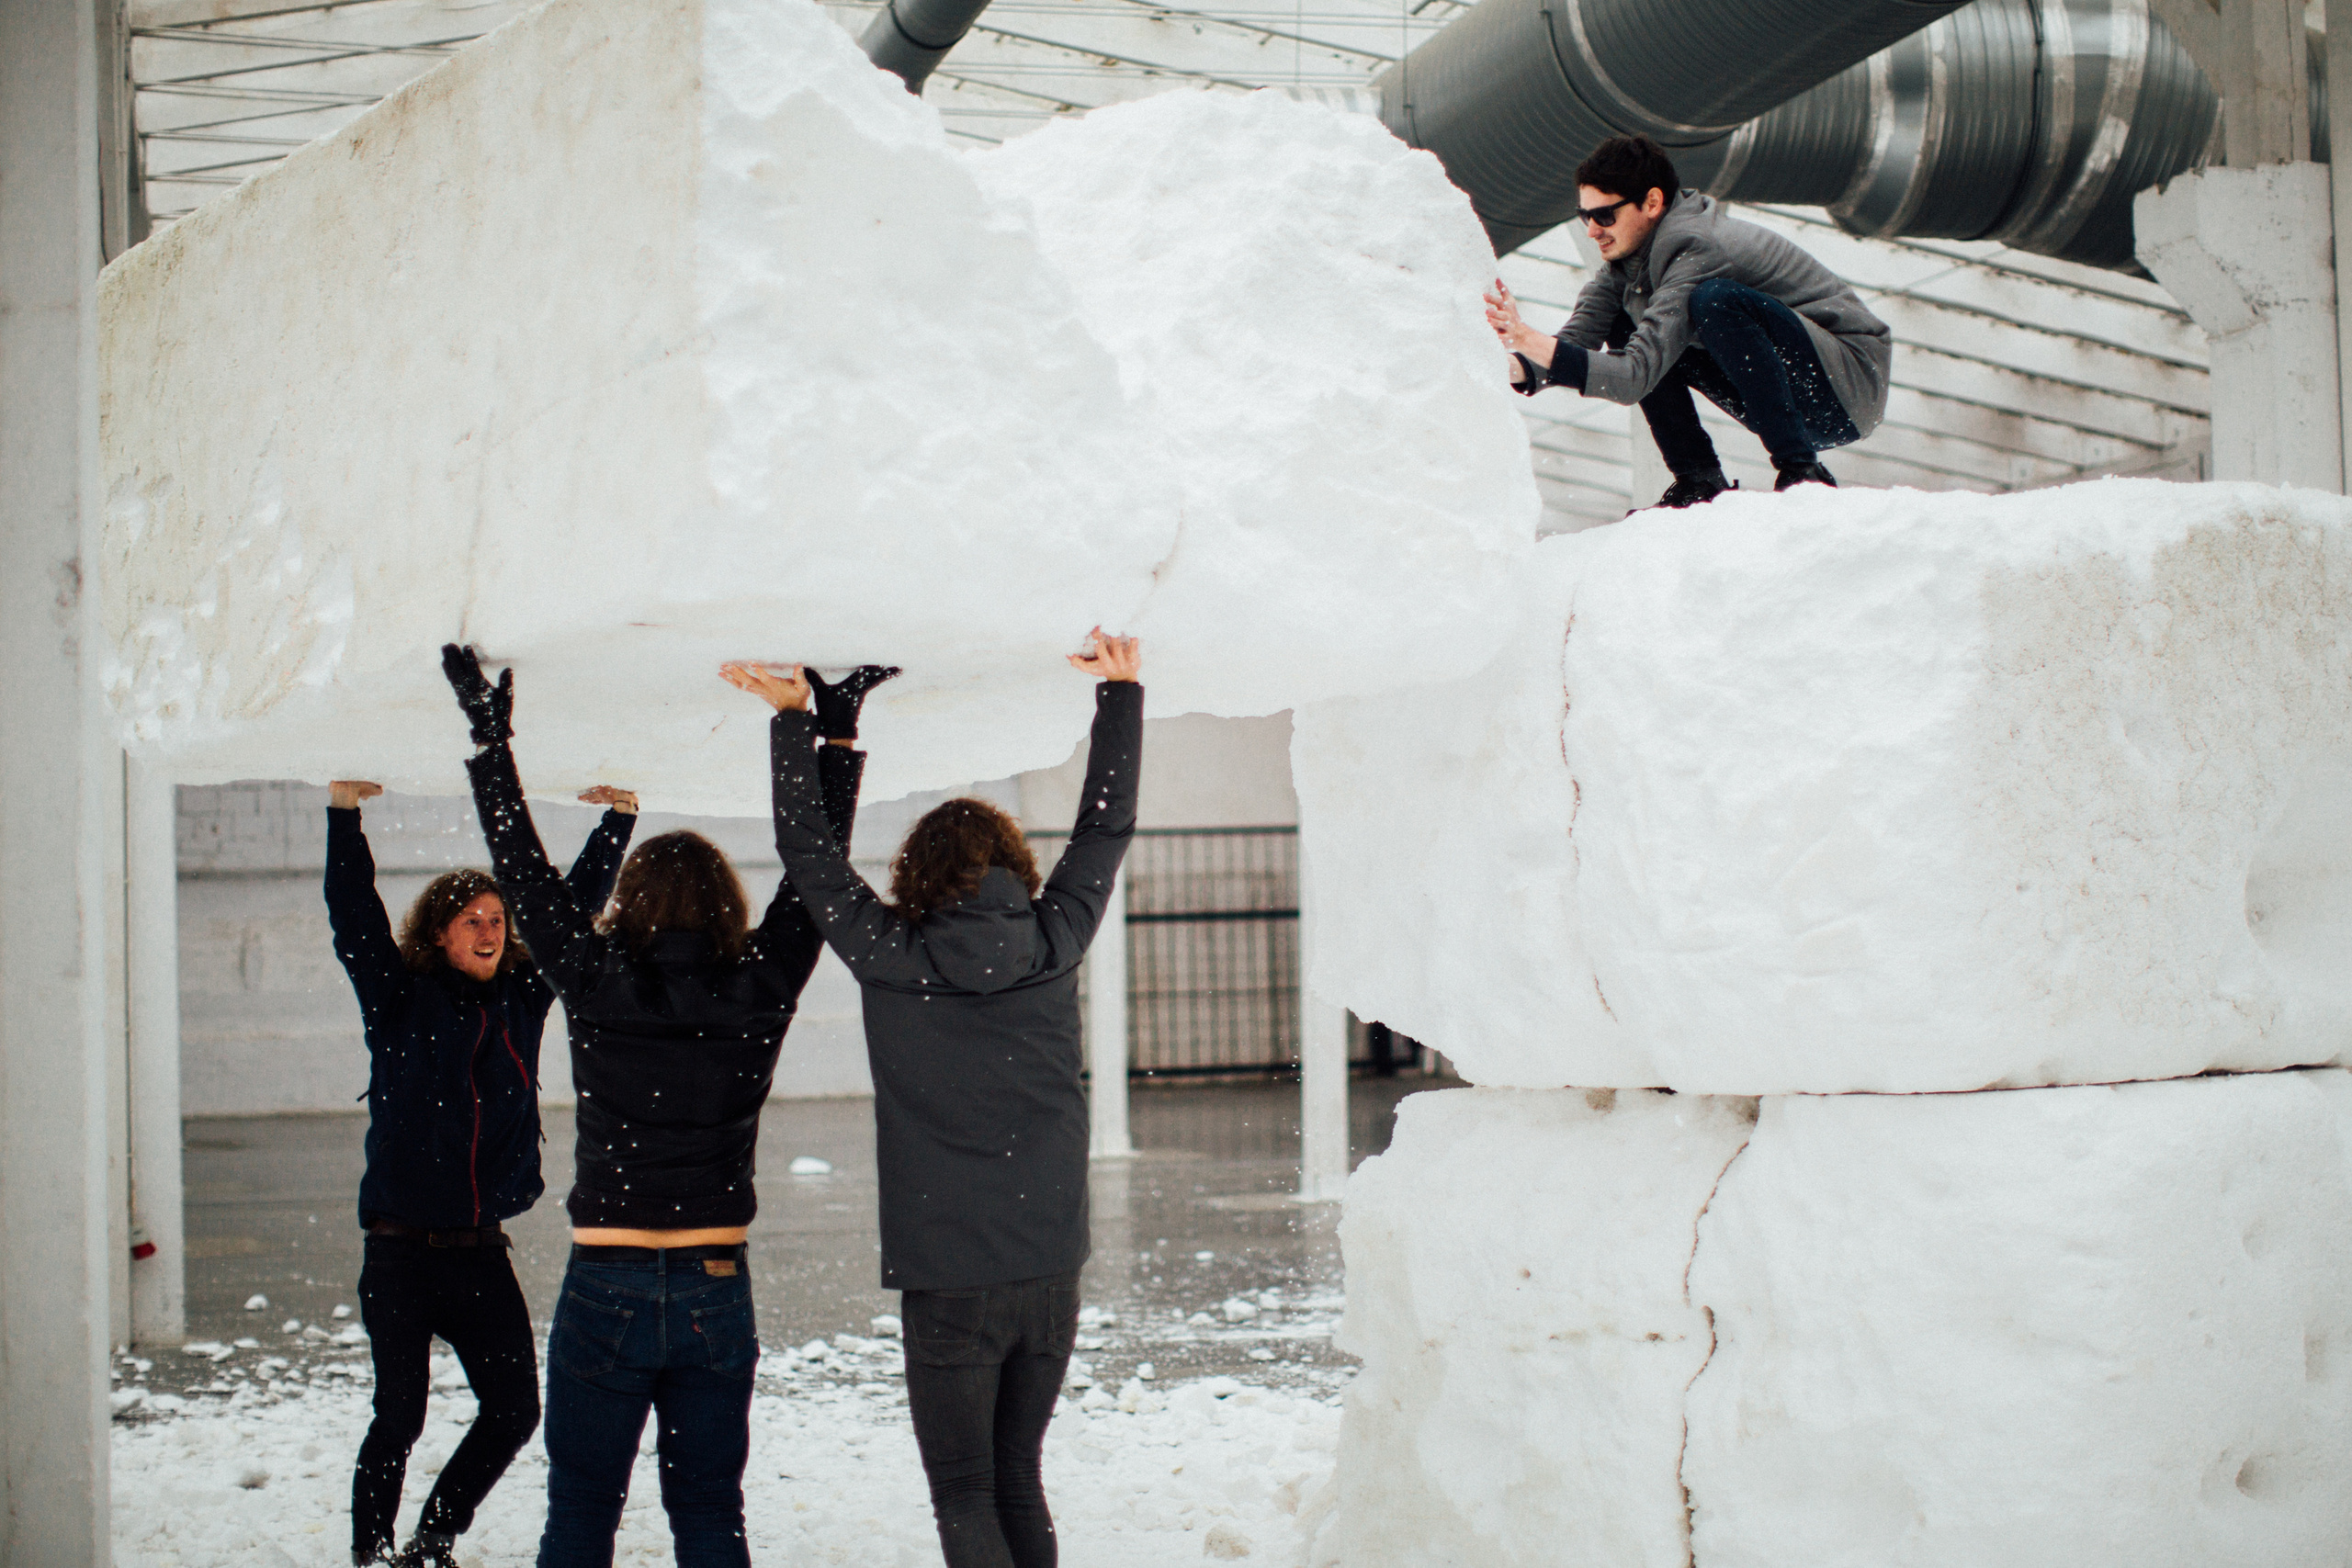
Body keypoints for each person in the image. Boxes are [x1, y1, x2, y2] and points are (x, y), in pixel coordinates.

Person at [441, 645, 897, 1568]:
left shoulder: (598, 978)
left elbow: (522, 872)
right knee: (708, 1517)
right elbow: (814, 876)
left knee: (579, 1516)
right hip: (713, 1286)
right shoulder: (760, 984)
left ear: (630, 904)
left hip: (605, 1278)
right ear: (725, 907)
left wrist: (491, 740)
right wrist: (830, 735)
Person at [722, 627, 1142, 1568]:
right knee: (1017, 1477)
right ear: (1013, 867)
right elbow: (1104, 830)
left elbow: (808, 856)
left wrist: (800, 730)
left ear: (917, 875)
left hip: (946, 1275)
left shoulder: (890, 956)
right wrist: (1121, 694)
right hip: (1048, 1266)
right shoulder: (1054, 940)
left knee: (964, 1490)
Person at [323, 772, 638, 1567]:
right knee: (399, 1415)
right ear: (438, 934)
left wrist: (617, 823)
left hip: (477, 1251)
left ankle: (432, 1539)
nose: (491, 929)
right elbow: (353, 916)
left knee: (513, 1409)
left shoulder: (524, 996)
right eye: (474, 919)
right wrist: (343, 814)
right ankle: (370, 1552)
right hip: (397, 1251)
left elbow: (566, 910)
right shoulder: (397, 997)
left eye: (498, 918)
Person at [1484, 132, 1893, 508]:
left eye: (1604, 215)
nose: (1592, 230)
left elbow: (1633, 377)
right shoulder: (1625, 267)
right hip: (1792, 393)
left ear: (1653, 203)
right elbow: (1575, 342)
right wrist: (1513, 362)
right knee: (1627, 320)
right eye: (1584, 216)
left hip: (1848, 385)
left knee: (1714, 301)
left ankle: (1801, 471)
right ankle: (1698, 477)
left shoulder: (1698, 246)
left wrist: (1526, 336)